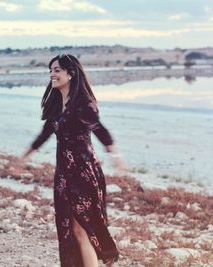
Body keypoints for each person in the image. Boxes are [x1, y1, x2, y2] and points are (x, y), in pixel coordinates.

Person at [20, 53, 127, 267]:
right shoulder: (56, 106)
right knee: (71, 229)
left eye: (57, 70)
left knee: (84, 227)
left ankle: (102, 258)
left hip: (84, 173)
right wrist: (24, 156)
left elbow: (100, 130)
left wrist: (115, 155)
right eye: (50, 70)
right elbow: (44, 135)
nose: (52, 74)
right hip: (64, 176)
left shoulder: (83, 104)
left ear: (70, 73)